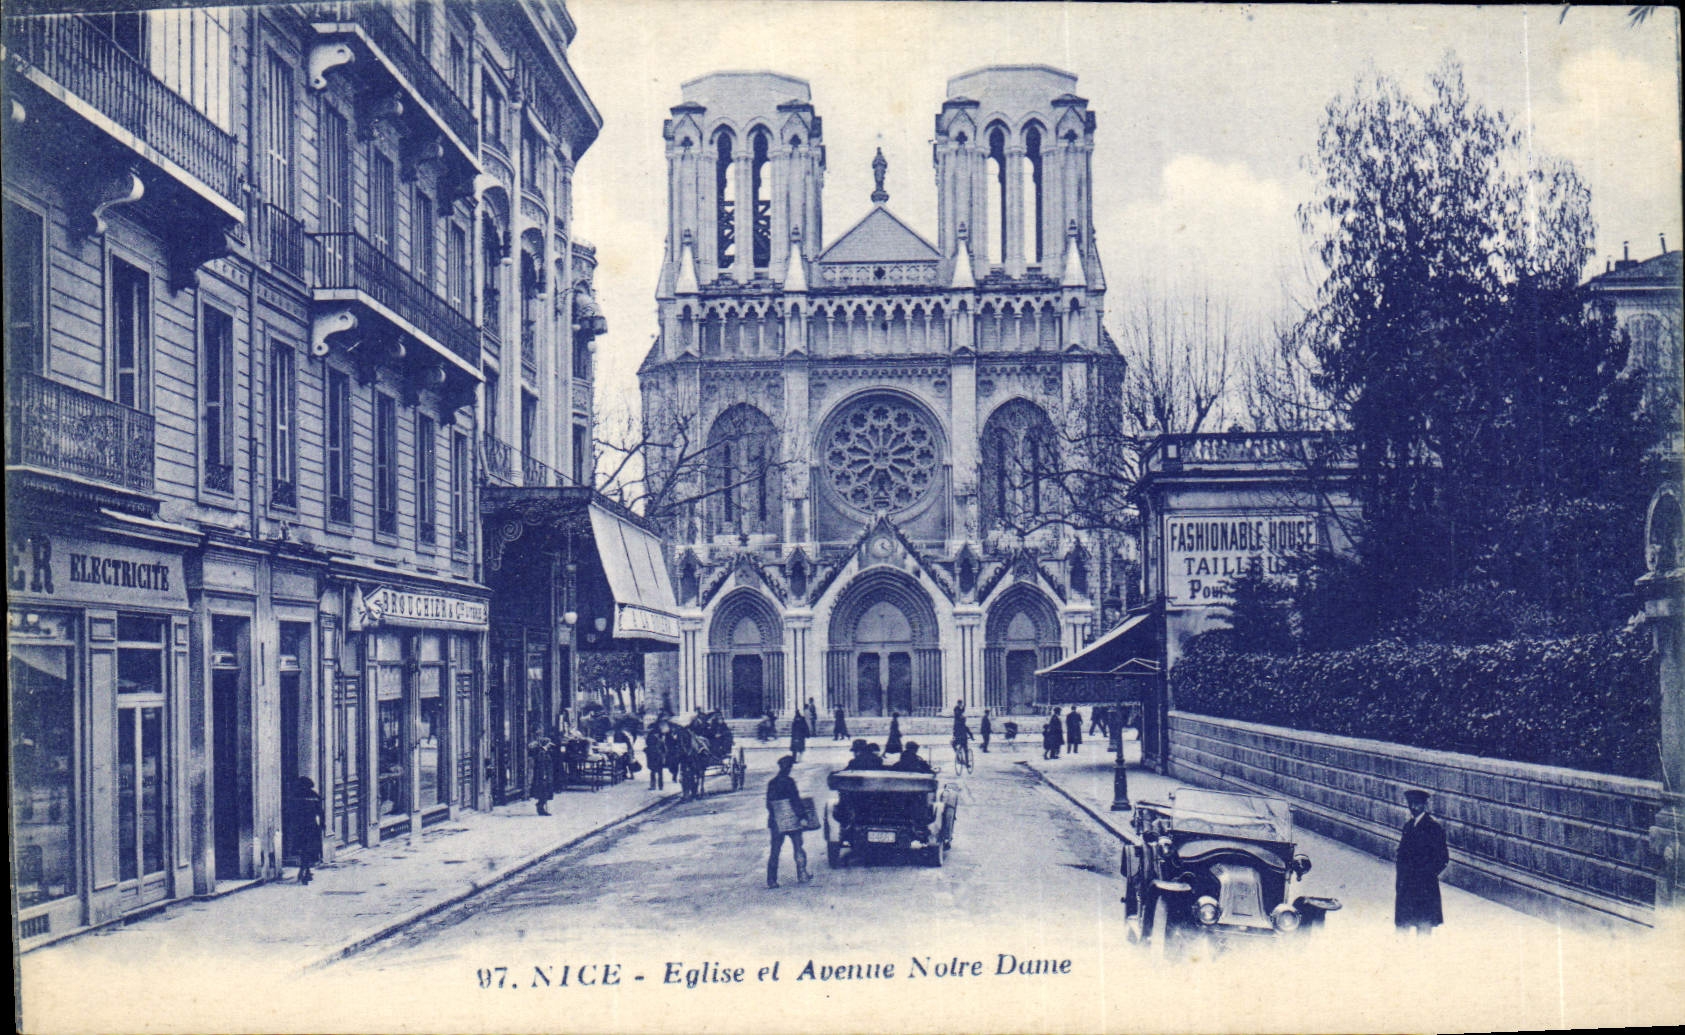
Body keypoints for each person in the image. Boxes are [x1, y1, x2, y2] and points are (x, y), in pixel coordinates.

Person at [1395, 788, 1449, 934]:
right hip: (1406, 885)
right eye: (1410, 804)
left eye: (1417, 804)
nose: (1413, 807)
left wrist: (1426, 874)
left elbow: (1442, 858)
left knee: (1424, 928)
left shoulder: (1433, 828)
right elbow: (1401, 857)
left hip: (1425, 888)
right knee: (1402, 928)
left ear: (1424, 805)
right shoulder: (1408, 827)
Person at [765, 755, 810, 888]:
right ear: (789, 768)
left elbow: (769, 804)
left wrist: (776, 816)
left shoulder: (772, 782)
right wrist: (802, 817)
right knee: (798, 847)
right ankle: (802, 874)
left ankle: (771, 880)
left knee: (775, 851)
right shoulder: (790, 782)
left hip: (776, 821)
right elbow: (795, 801)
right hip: (792, 820)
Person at [287, 776, 323, 884]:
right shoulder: (314, 795)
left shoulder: (295, 795)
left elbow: (289, 812)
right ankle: (306, 870)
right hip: (311, 826)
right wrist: (322, 823)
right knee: (310, 849)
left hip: (298, 827)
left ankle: (304, 869)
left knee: (303, 849)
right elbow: (320, 811)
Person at [529, 732, 554, 815]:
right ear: (546, 744)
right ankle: (540, 808)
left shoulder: (544, 752)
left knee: (545, 792)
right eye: (549, 744)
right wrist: (544, 775)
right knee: (544, 792)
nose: (550, 745)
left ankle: (541, 807)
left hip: (544, 775)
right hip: (543, 776)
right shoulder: (542, 753)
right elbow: (542, 766)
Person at [645, 719, 668, 790]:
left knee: (652, 771)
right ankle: (661, 786)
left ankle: (653, 786)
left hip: (652, 755)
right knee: (660, 771)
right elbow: (664, 747)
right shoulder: (661, 736)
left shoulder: (650, 736)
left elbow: (647, 744)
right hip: (659, 755)